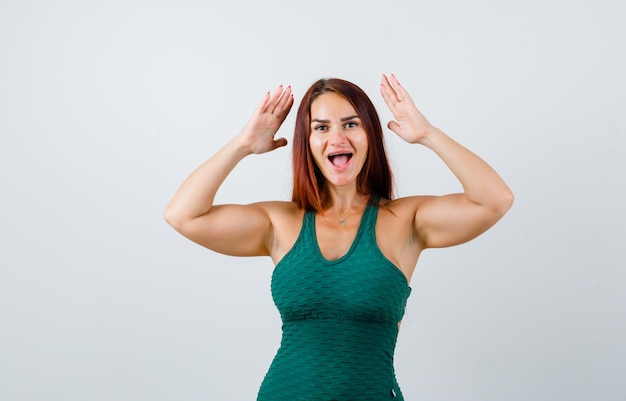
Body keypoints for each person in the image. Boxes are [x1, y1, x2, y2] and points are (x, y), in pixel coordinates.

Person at [164, 74, 514, 400]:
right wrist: (242, 144)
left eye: (351, 124)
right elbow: (183, 215)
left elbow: (495, 200)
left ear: (370, 136)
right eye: (321, 127)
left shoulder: (406, 220)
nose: (337, 138)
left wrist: (428, 135)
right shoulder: (279, 222)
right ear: (308, 142)